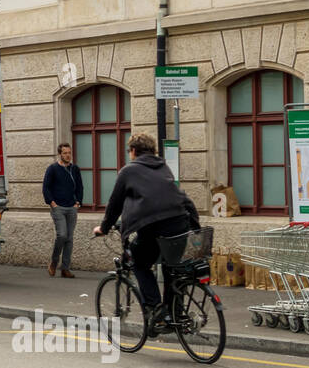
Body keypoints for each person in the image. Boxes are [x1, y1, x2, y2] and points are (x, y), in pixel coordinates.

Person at [92, 132, 200, 332]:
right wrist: (195, 226)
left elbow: (114, 204)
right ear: (152, 150)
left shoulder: (128, 171)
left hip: (152, 225)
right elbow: (181, 196)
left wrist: (104, 228)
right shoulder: (163, 167)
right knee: (172, 268)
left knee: (139, 263)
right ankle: (173, 315)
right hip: (179, 223)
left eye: (129, 151)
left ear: (133, 151)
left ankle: (158, 311)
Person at [42, 142, 83, 278]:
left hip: (72, 207)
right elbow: (46, 187)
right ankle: (54, 262)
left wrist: (78, 202)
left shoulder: (74, 169)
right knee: (62, 235)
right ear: (60, 154)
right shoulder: (52, 169)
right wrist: (52, 203)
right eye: (65, 153)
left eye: (69, 153)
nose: (68, 155)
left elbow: (80, 187)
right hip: (58, 207)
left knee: (69, 238)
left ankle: (65, 268)